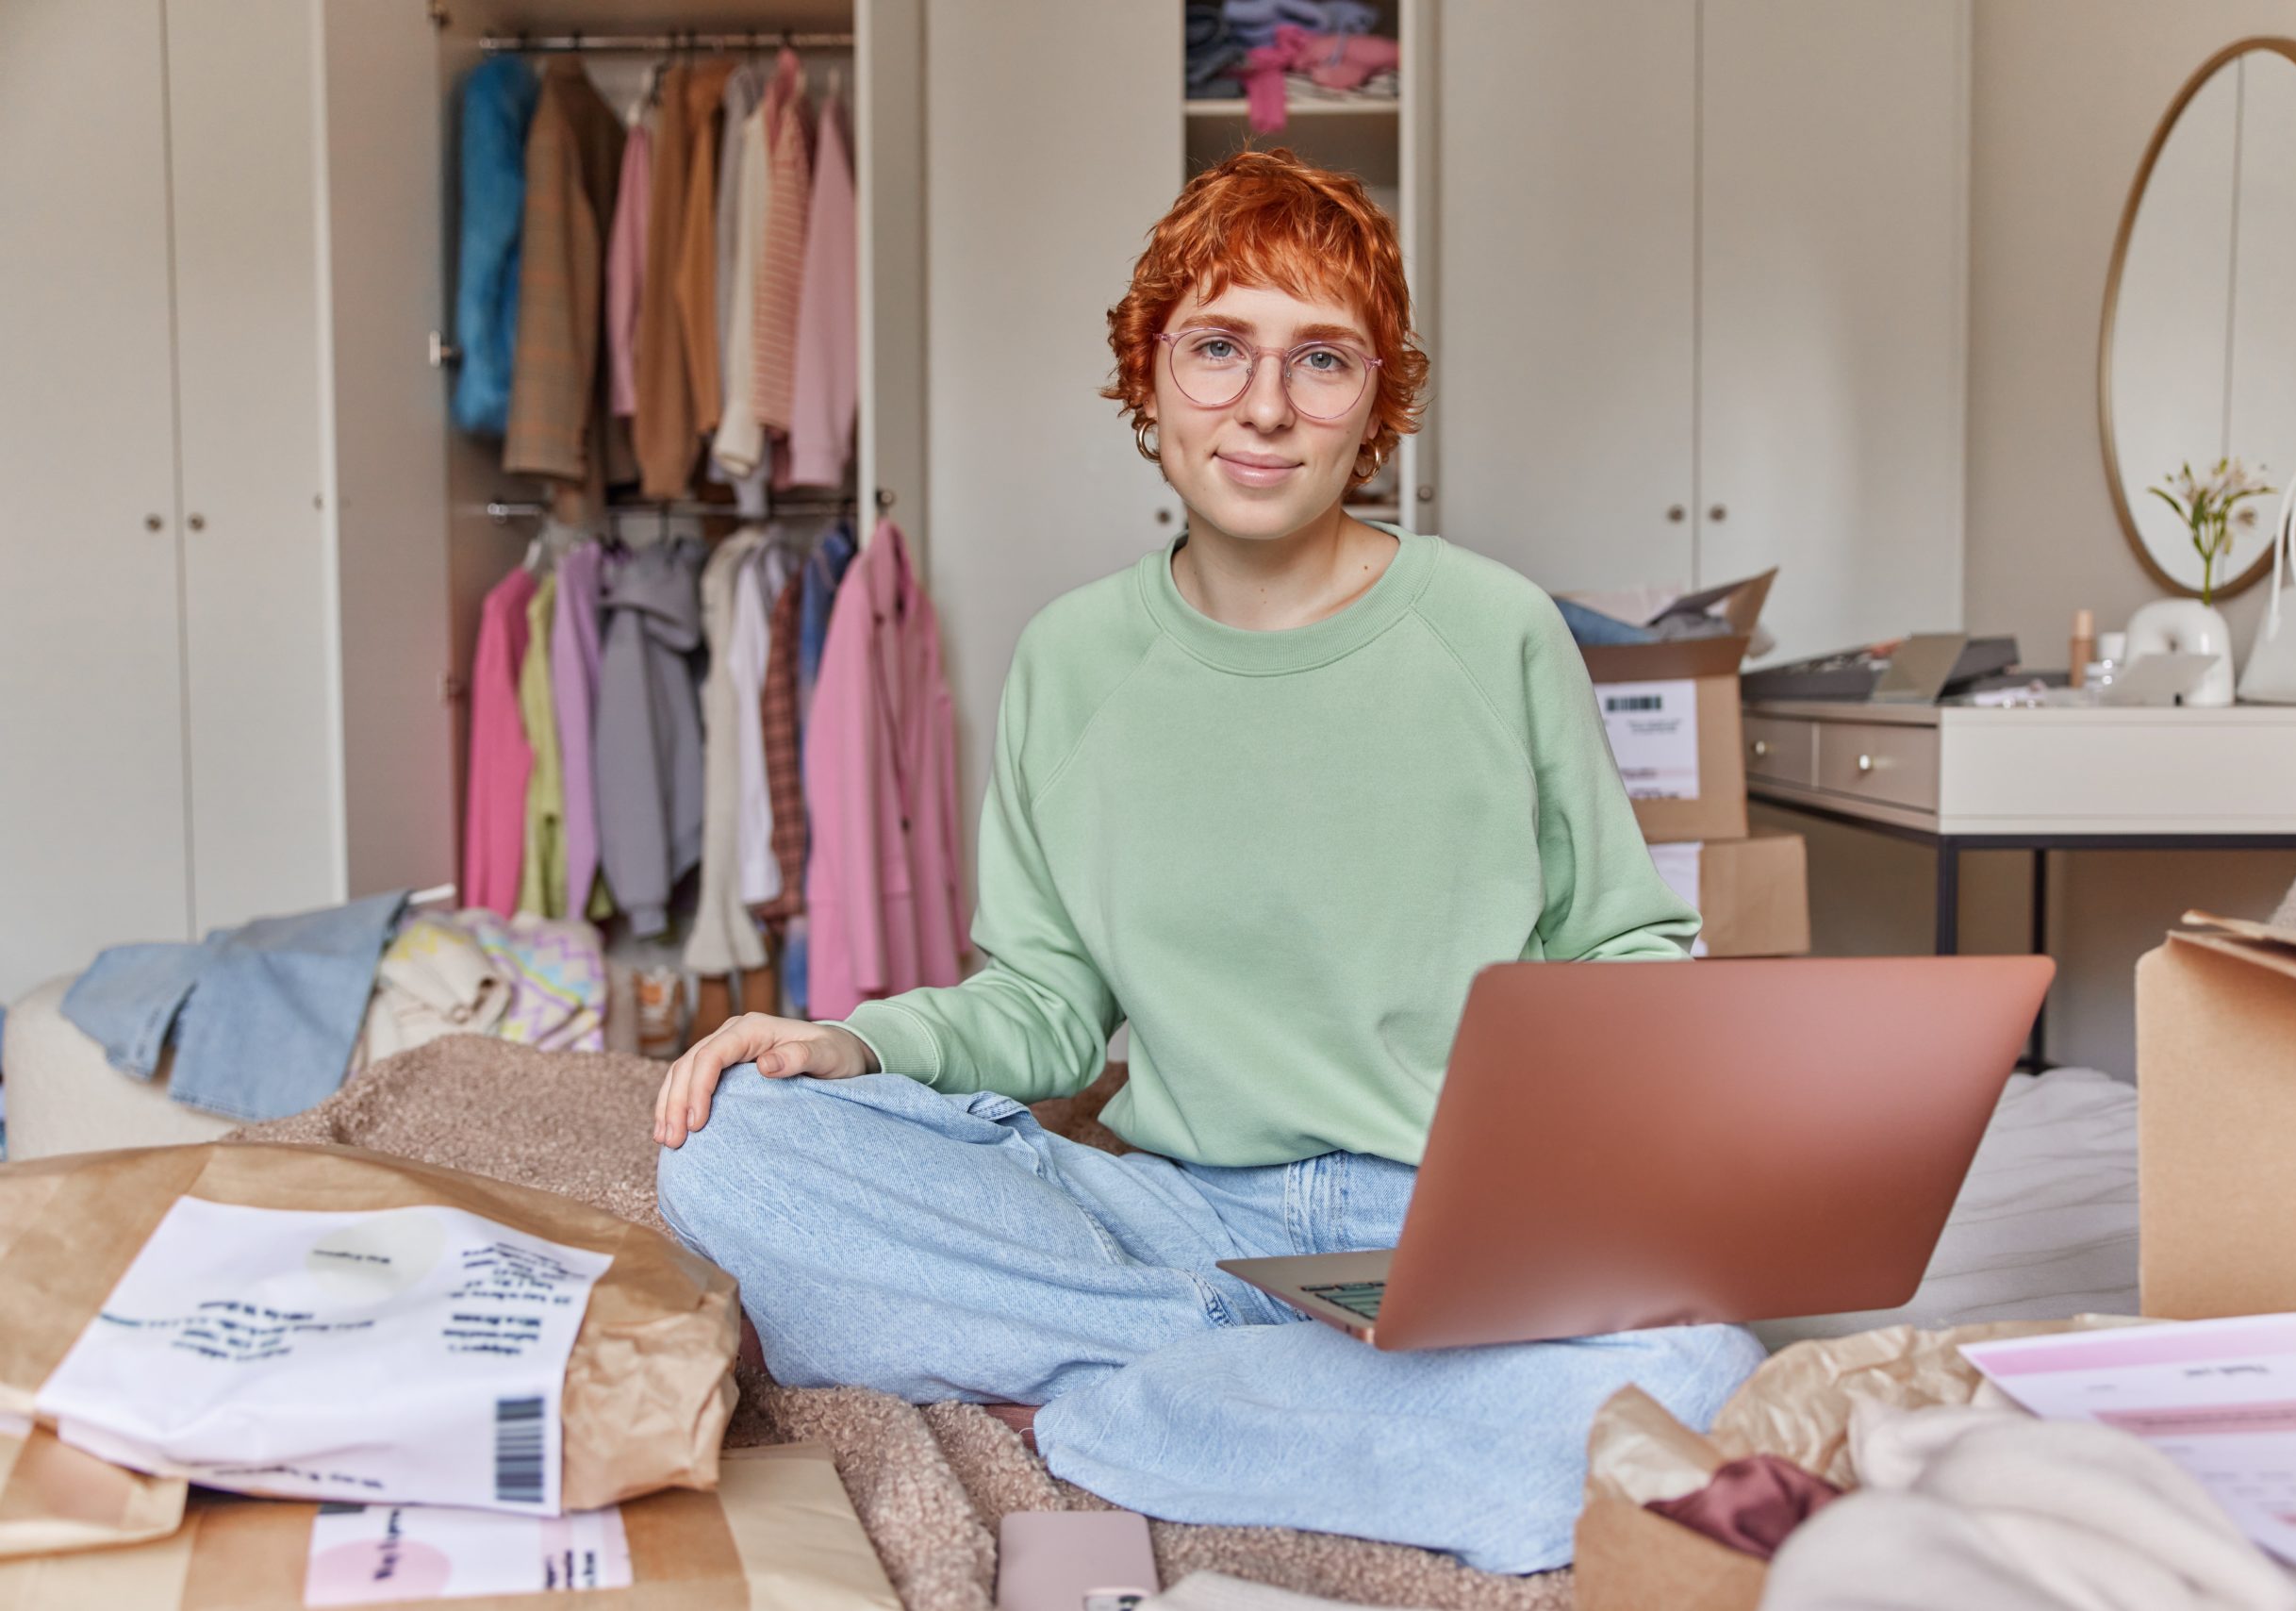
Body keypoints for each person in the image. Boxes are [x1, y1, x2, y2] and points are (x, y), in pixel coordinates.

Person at [652, 148, 1762, 1572]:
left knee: (1704, 1369)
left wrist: (1623, 1159)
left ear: (1379, 404)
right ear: (1149, 376)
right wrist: (844, 1047)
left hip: (1442, 1217)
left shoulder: (1498, 631)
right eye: (1219, 348)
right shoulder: (1072, 658)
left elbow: (1627, 946)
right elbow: (1046, 1003)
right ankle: (1253, 1380)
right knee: (731, 1146)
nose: (1264, 405)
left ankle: (1125, 1409)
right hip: (1168, 1217)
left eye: (1323, 361)